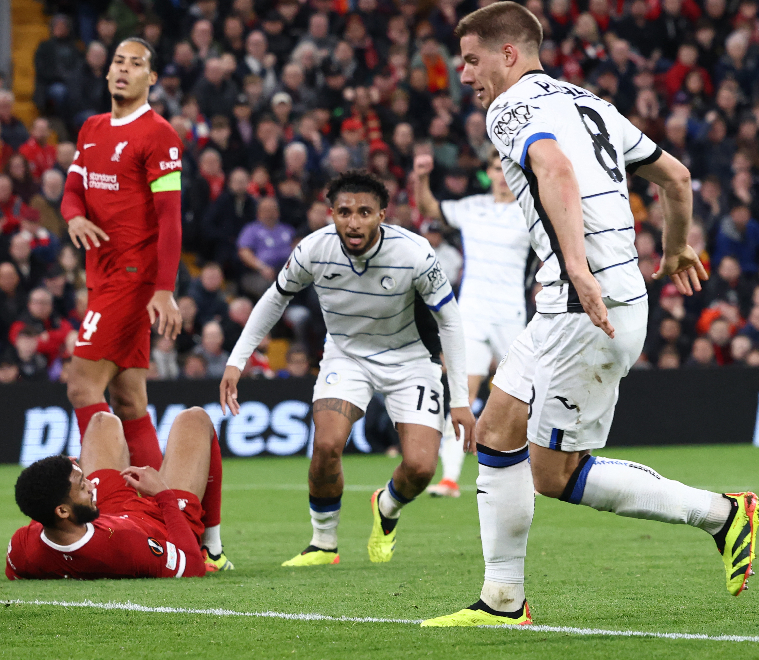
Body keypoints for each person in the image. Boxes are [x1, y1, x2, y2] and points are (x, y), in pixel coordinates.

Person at [422, 2, 756, 627]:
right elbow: (677, 179)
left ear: (509, 54)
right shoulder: (590, 102)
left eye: (471, 60)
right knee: (497, 430)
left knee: (553, 474)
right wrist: (678, 243)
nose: (464, 75)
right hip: (567, 303)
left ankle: (723, 513)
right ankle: (501, 601)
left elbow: (554, 169)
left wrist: (576, 265)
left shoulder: (509, 107)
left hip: (585, 304)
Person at [220, 170, 475, 568]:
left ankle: (386, 505)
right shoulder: (312, 250)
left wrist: (460, 400)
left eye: (364, 212)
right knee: (325, 445)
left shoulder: (416, 254)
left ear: (382, 215)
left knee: (422, 467)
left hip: (411, 359)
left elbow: (452, 322)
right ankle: (323, 543)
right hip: (347, 356)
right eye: (344, 212)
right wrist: (236, 361)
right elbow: (274, 299)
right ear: (331, 213)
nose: (353, 222)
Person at [59, 37, 201, 564]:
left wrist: (164, 288)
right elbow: (73, 189)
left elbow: (169, 218)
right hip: (103, 276)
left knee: (81, 386)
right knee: (129, 401)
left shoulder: (159, 135)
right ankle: (174, 514)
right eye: (119, 61)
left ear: (151, 79)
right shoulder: (93, 129)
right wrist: (74, 215)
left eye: (136, 64)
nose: (123, 70)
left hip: (133, 276)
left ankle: (105, 505)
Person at [412, 150, 533, 498]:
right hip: (473, 316)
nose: (501, 174)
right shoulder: (472, 207)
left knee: (524, 398)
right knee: (461, 395)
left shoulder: (530, 211)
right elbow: (431, 209)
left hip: (511, 317)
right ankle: (450, 478)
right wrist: (421, 177)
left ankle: (531, 469)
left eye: (508, 168)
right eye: (496, 168)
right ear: (489, 173)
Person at [8, 406, 229, 578]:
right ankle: (213, 549)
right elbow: (192, 567)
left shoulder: (23, 546)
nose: (91, 484)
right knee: (194, 419)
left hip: (100, 514)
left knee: (102, 421)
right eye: (83, 485)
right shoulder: (125, 545)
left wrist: (66, 474)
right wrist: (162, 494)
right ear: (63, 511)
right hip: (161, 522)